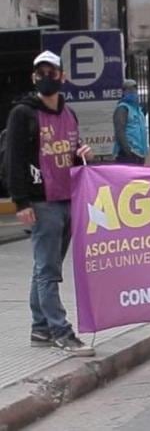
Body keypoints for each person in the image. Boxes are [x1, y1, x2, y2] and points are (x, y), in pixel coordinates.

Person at [5, 51, 94, 355]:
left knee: (46, 266)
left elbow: (69, 151)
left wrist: (82, 153)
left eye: (52, 72)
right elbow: (13, 160)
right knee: (48, 270)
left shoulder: (69, 114)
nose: (46, 77)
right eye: (40, 72)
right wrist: (21, 203)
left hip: (67, 198)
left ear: (62, 76)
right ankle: (61, 331)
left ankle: (40, 328)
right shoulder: (23, 114)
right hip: (41, 202)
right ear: (34, 77)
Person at [112, 78, 148, 165]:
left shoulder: (138, 110)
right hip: (127, 154)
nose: (132, 92)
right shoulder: (122, 108)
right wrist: (128, 150)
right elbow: (120, 131)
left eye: (134, 89)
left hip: (140, 153)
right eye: (129, 90)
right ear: (124, 92)